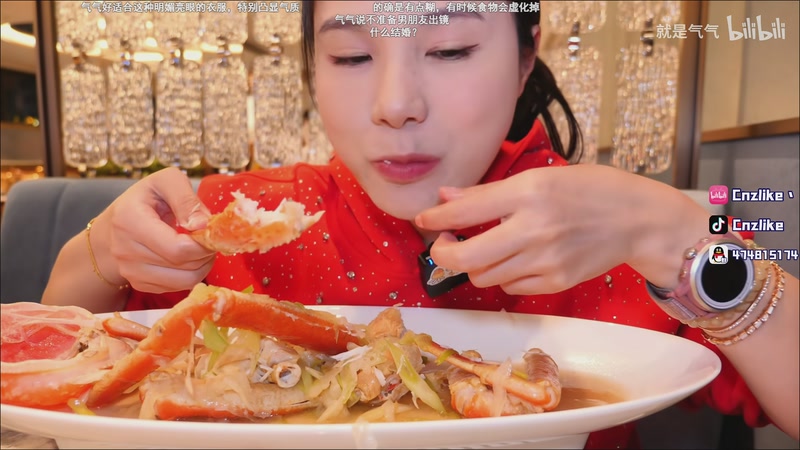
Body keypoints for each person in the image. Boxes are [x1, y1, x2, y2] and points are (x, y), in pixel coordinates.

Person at [42, 1, 799, 447]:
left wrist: (672, 235)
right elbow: (53, 372)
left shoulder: (612, 232)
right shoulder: (242, 220)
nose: (395, 104)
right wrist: (99, 253)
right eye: (351, 56)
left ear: (525, 57)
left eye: (449, 48)